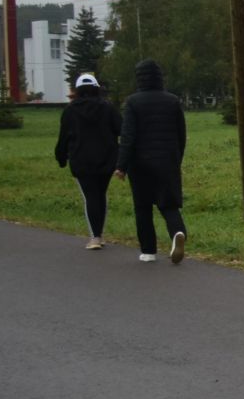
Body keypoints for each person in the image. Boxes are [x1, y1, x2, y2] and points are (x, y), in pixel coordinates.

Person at [115, 60, 188, 265]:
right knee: (169, 204)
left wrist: (121, 165)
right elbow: (181, 134)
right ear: (160, 77)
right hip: (168, 161)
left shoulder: (133, 102)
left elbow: (127, 136)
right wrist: (176, 158)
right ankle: (178, 233)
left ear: (139, 78)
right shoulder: (173, 101)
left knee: (143, 207)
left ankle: (148, 251)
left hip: (141, 164)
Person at [55, 72, 121, 250]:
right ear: (96, 89)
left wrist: (61, 157)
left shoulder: (70, 111)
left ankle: (95, 237)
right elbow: (120, 129)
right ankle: (99, 234)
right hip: (107, 159)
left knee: (90, 197)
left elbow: (64, 138)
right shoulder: (108, 108)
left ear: (77, 90)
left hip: (81, 160)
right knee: (101, 195)